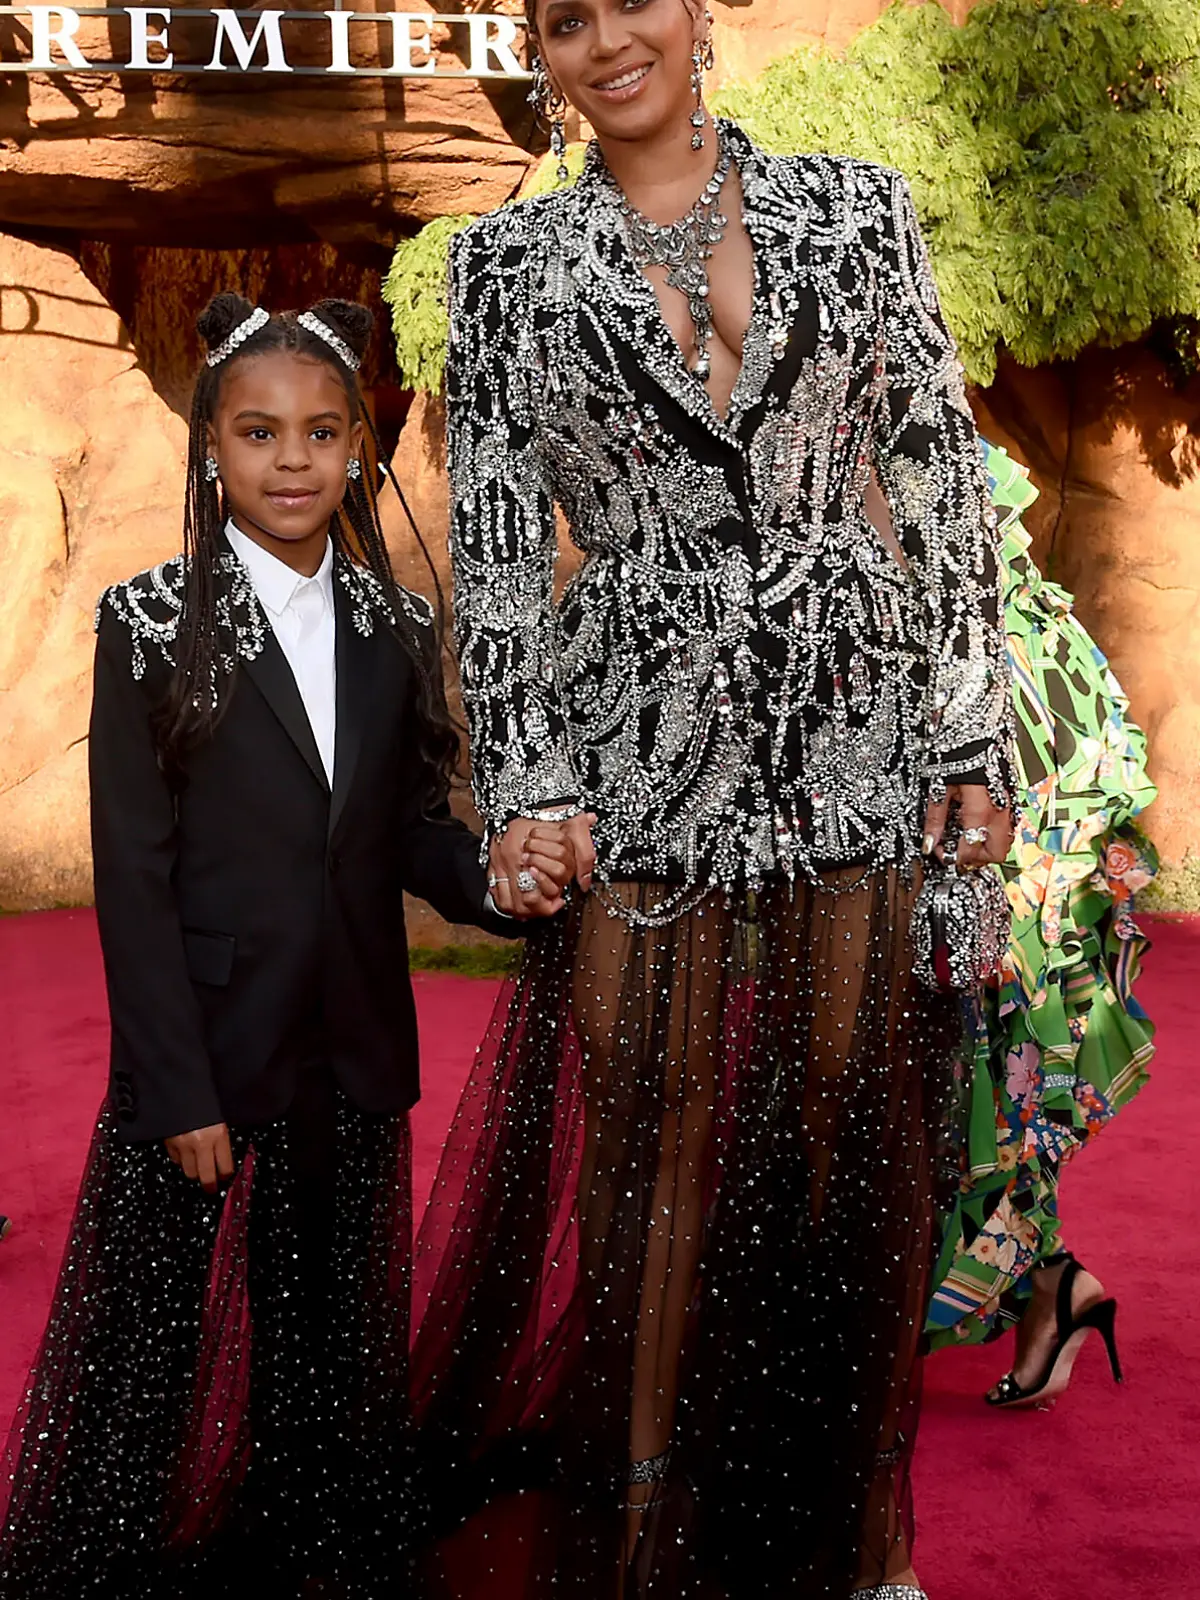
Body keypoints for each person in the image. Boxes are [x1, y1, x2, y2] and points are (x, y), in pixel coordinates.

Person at [408, 1, 1015, 1596]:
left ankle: (861, 1542)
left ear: (693, 15)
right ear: (541, 53)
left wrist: (970, 734)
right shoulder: (504, 267)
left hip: (855, 717)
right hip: (637, 733)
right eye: (566, 20)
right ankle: (636, 1531)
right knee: (644, 1125)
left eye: (634, 3)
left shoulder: (855, 208)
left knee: (850, 1127)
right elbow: (496, 540)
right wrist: (530, 781)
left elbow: (935, 471)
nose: (608, 41)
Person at [0, 293, 575, 1600]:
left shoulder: (394, 627)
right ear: (211, 445)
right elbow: (135, 881)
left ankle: (314, 1561)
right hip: (206, 1061)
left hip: (350, 1057)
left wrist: (497, 881)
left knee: (325, 1347)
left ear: (360, 447)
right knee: (153, 1353)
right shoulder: (148, 623)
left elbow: (410, 828)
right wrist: (175, 1089)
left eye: (323, 431)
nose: (293, 459)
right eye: (259, 433)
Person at [926, 442, 1157, 1405]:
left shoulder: (984, 617)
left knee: (985, 1084)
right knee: (993, 1087)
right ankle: (1054, 1288)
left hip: (1012, 865)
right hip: (1024, 851)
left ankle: (1044, 1285)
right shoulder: (1035, 616)